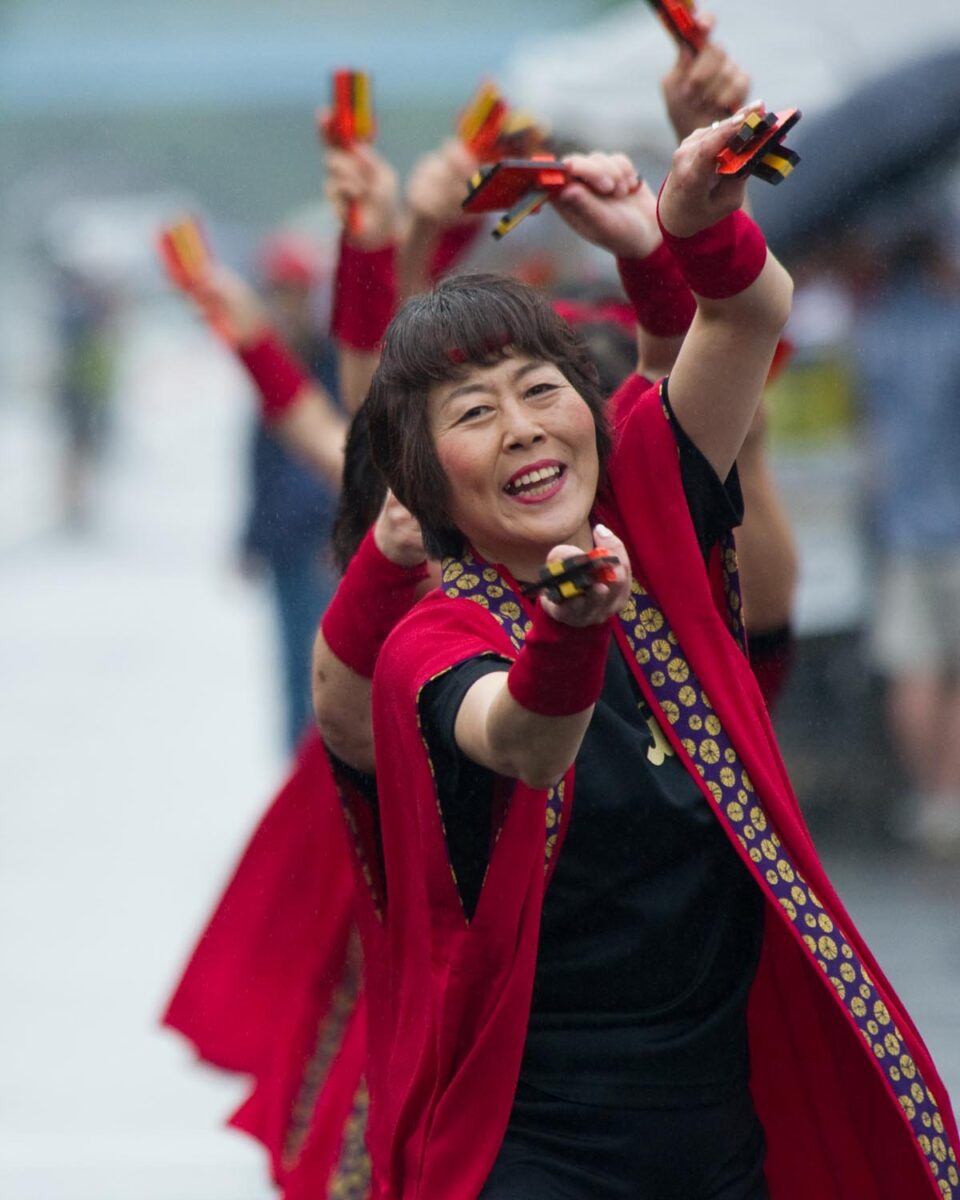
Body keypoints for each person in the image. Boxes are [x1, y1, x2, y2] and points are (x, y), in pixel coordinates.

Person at [356, 120, 958, 1198]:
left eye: (542, 392)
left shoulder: (653, 503)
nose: (523, 430)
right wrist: (572, 631)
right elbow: (524, 742)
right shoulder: (432, 639)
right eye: (474, 413)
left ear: (590, 413)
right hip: (527, 1146)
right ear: (424, 483)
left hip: (718, 1137)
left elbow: (749, 313)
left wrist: (687, 227)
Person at [852, 223, 960, 851]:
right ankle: (953, 795)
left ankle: (931, 799)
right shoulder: (951, 330)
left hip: (896, 524)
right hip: (953, 518)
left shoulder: (872, 334)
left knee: (912, 668)